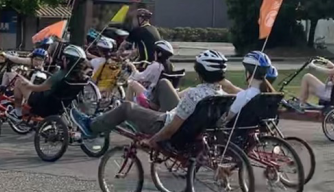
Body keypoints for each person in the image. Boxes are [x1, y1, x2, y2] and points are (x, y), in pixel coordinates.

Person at [73, 50, 229, 148]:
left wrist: (153, 141)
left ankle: (91, 127)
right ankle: (150, 104)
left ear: (199, 73)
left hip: (165, 125)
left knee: (127, 107)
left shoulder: (195, 95)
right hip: (190, 127)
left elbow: (171, 128)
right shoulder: (221, 96)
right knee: (163, 83)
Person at [8, 45, 90, 121]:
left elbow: (40, 88)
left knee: (19, 80)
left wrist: (29, 85)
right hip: (59, 108)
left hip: (42, 104)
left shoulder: (60, 74)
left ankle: (17, 113)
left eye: (64, 58)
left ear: (68, 60)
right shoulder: (81, 78)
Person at [284, 42, 334, 111]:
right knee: (309, 89)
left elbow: (331, 72)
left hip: (331, 93)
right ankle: (302, 103)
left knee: (307, 76)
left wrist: (315, 67)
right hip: (333, 91)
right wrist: (327, 62)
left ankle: (300, 104)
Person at [219, 51, 275, 125]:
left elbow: (227, 117)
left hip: (238, 132)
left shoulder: (245, 96)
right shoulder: (269, 94)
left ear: (249, 72)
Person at [126, 40, 174, 109]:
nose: (154, 53)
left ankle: (127, 107)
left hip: (152, 97)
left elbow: (139, 77)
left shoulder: (156, 65)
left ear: (159, 53)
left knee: (132, 83)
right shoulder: (169, 65)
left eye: (155, 52)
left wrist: (132, 67)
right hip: (161, 96)